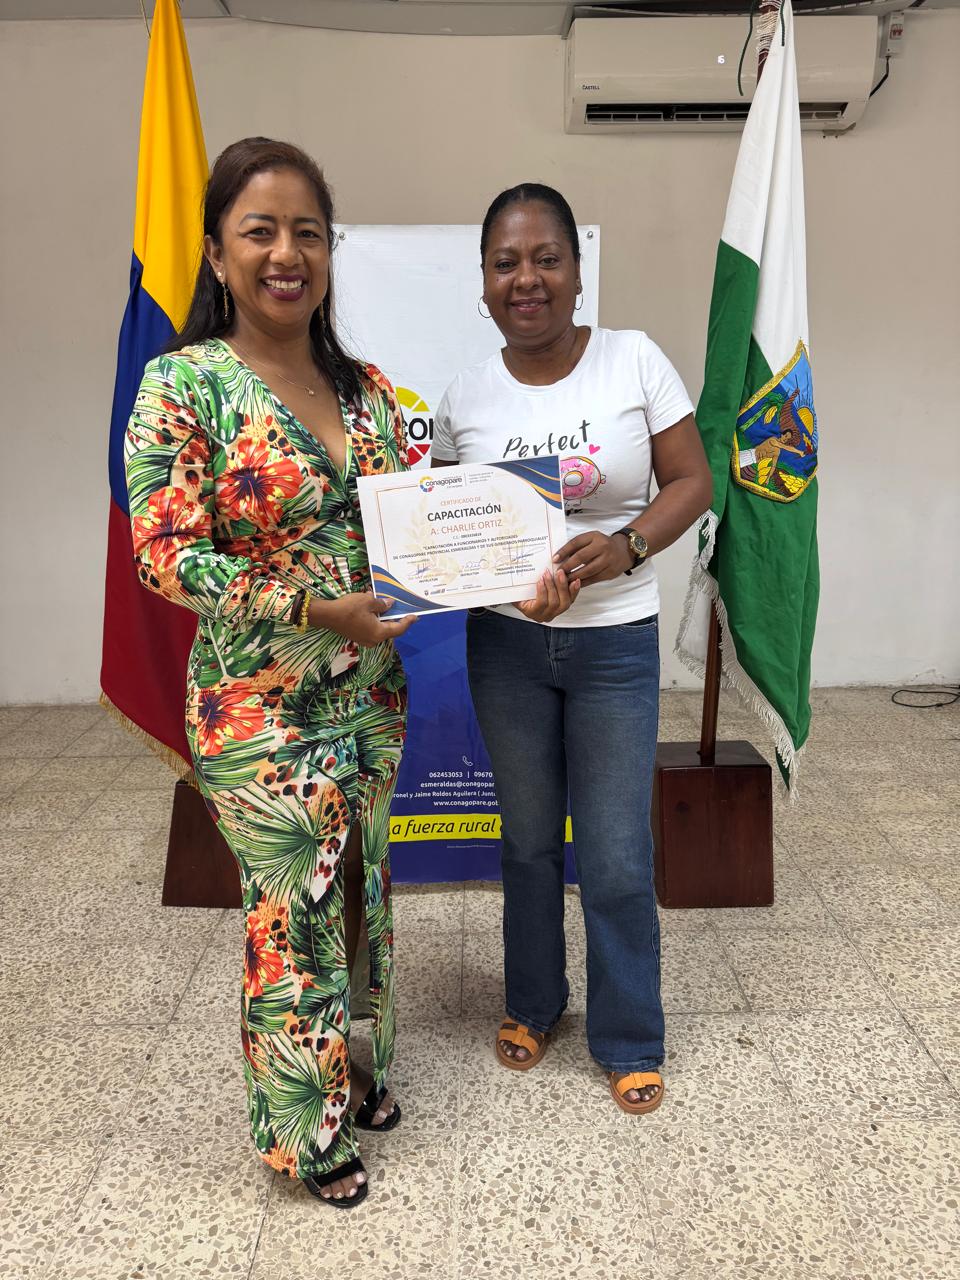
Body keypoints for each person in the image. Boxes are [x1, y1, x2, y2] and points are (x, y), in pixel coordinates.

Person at [125, 138, 415, 1204]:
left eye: (308, 232)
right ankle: (309, 1136)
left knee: (357, 890)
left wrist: (496, 562)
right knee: (292, 909)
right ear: (217, 252)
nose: (287, 253)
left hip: (370, 695)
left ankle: (353, 1071)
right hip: (258, 706)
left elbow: (416, 526)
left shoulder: (367, 388)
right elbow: (163, 553)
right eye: (261, 231)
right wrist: (310, 606)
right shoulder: (184, 383)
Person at [431, 183, 712, 1114]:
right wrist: (457, 574)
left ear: (578, 273)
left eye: (547, 258)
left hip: (614, 647)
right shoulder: (465, 394)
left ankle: (628, 1033)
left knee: (618, 851)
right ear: (483, 283)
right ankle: (532, 1002)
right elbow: (446, 528)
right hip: (506, 648)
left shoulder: (635, 361)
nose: (528, 278)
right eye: (506, 262)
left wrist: (627, 545)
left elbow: (692, 481)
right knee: (525, 842)